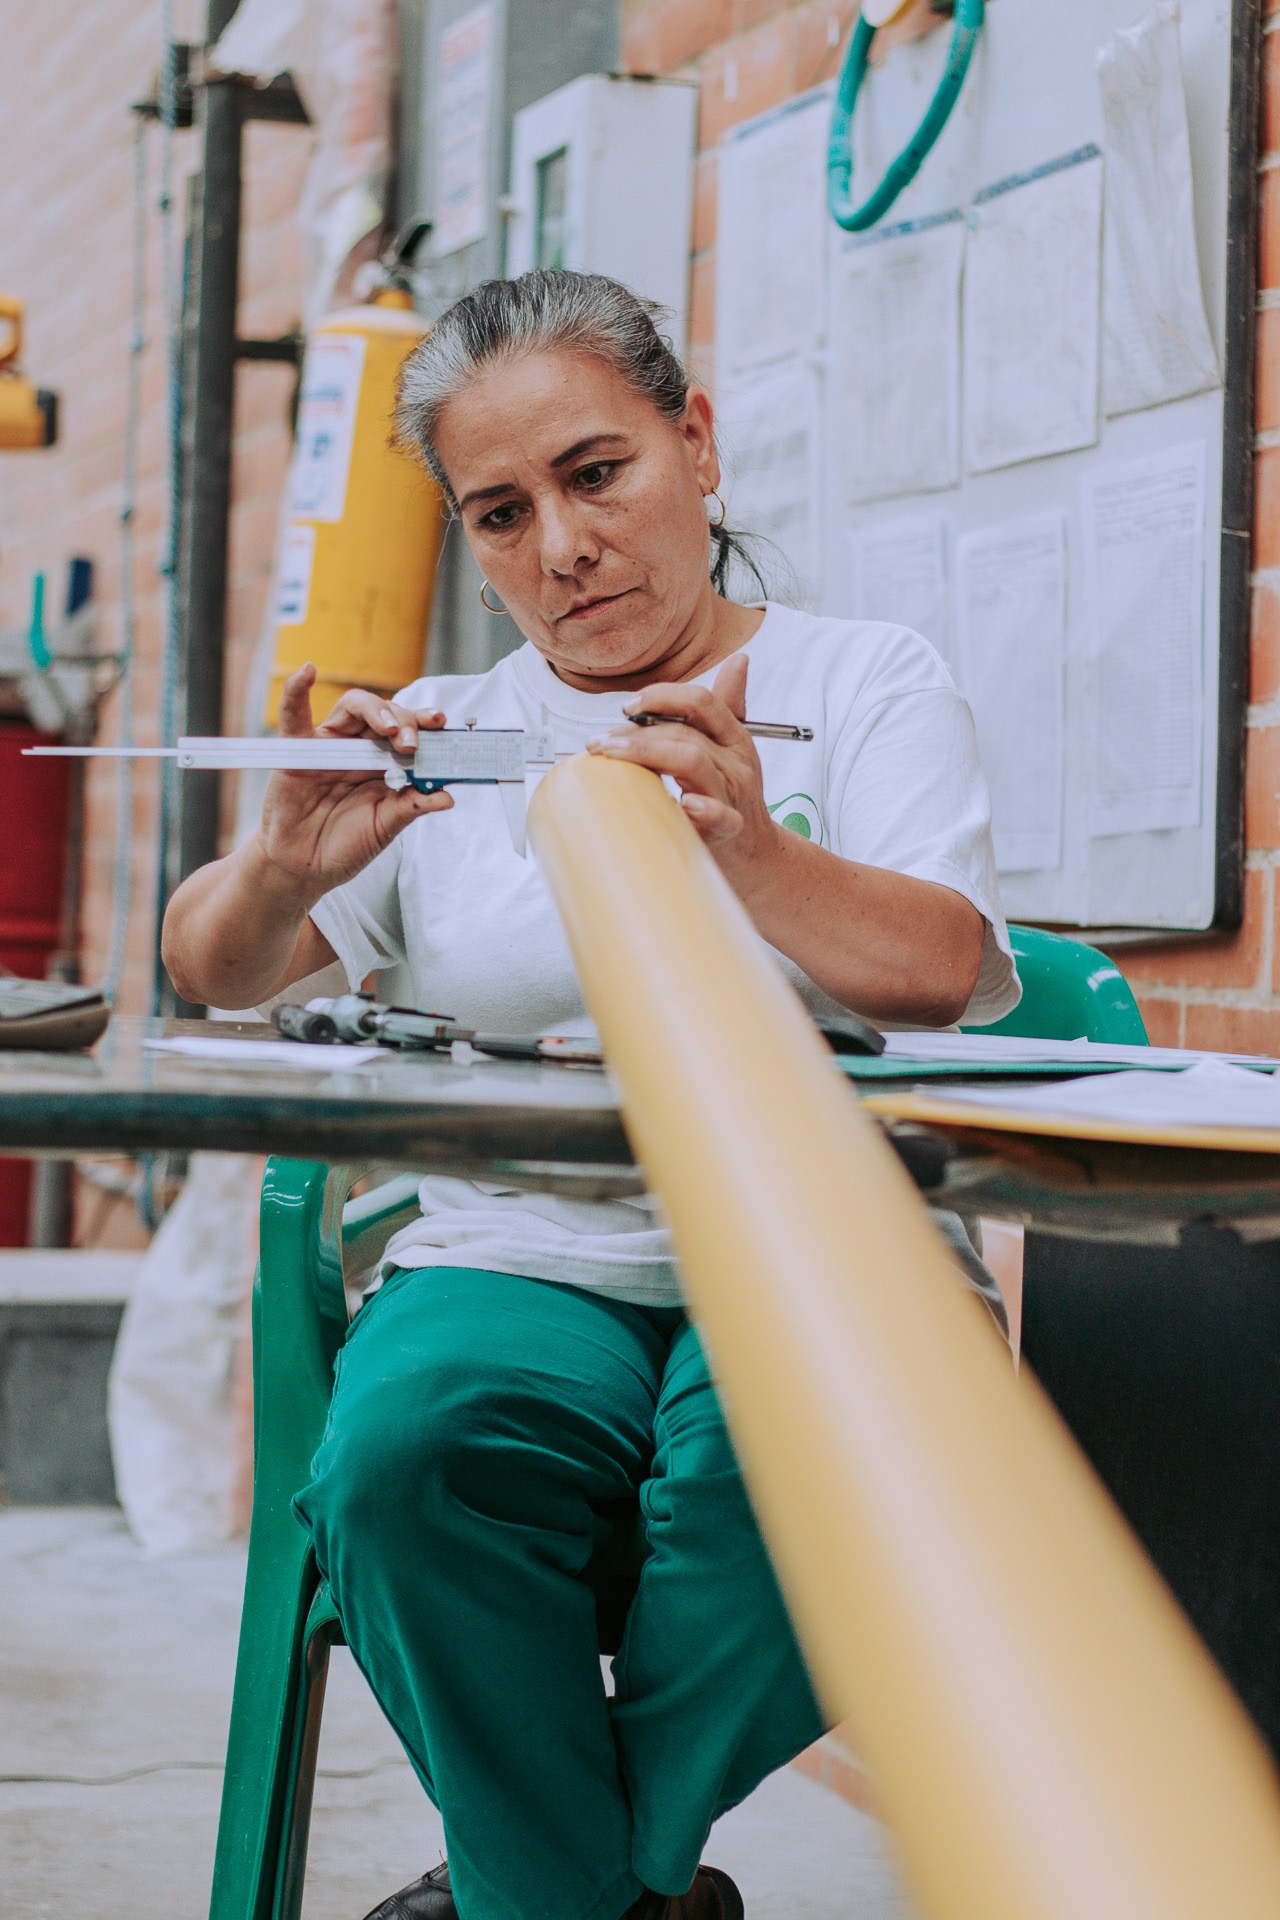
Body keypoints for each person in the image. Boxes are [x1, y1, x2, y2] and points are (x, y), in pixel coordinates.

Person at [163, 269, 1019, 1920]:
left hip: (820, 1243)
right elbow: (213, 964)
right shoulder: (443, 734)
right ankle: (610, 1896)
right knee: (401, 1461)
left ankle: (548, 1887)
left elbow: (941, 969)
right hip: (520, 1252)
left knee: (838, 1475)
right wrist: (279, 864)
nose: (559, 548)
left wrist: (754, 849)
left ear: (693, 442)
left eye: (596, 473)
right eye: (501, 512)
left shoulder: (865, 680)